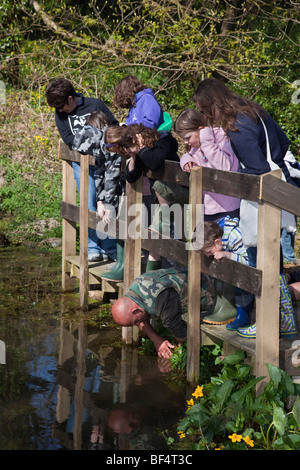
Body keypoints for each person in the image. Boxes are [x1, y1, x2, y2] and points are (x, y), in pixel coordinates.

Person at [192, 77, 294, 271]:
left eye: (204, 110)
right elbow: (283, 140)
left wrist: (238, 175)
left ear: (213, 104)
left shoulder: (236, 125)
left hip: (263, 195)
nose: (205, 116)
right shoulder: (253, 109)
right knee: (274, 258)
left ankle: (274, 299)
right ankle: (282, 298)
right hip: (279, 182)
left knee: (259, 261)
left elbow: (258, 167)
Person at [45, 78, 118, 261]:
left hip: (105, 164)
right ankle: (93, 248)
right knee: (89, 203)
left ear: (71, 98)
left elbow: (113, 126)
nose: (59, 111)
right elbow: (68, 139)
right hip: (81, 165)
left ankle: (110, 248)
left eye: (61, 106)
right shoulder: (59, 112)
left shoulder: (95, 104)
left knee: (107, 202)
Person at [193, 220, 298, 339]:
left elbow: (251, 262)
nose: (207, 255)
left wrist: (229, 255)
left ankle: (266, 321)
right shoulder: (222, 239)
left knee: (254, 280)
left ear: (217, 241)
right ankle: (287, 325)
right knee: (242, 280)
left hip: (262, 268)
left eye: (207, 251)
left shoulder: (236, 237)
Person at [117, 124, 189, 271]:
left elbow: (155, 163)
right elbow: (131, 177)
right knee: (157, 235)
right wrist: (133, 156)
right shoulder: (143, 152)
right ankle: (153, 273)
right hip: (164, 201)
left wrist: (141, 149)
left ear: (138, 139)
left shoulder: (163, 141)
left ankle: (163, 271)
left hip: (180, 195)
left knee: (169, 234)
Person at [111, 267, 214, 358]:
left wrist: (178, 348)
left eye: (135, 322)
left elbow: (177, 328)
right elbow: (140, 319)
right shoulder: (132, 293)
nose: (138, 325)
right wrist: (156, 339)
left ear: (136, 310)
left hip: (211, 292)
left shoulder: (160, 299)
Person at [174, 107, 240, 224]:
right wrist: (186, 160)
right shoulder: (195, 146)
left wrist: (206, 139)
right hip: (208, 209)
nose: (185, 142)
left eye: (188, 138)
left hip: (228, 207)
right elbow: (187, 155)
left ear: (201, 130)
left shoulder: (221, 136)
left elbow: (224, 166)